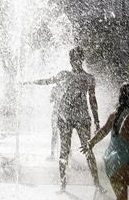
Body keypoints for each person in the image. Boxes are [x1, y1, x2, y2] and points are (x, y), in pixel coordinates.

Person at [25, 47, 102, 191]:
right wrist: (30, 83)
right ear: (70, 60)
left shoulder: (89, 78)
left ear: (82, 59)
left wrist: (97, 121)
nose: (75, 62)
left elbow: (93, 100)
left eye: (77, 59)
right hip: (65, 117)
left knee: (88, 150)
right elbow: (47, 81)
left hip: (82, 117)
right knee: (64, 151)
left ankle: (97, 183)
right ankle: (63, 184)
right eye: (72, 59)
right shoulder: (64, 74)